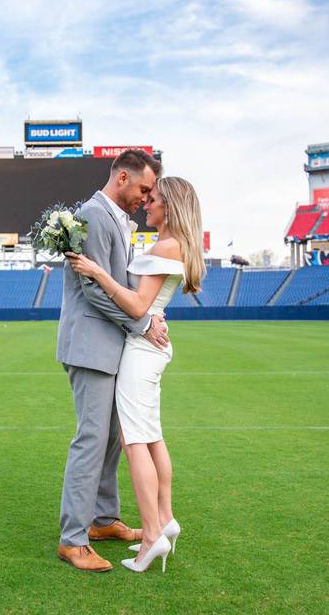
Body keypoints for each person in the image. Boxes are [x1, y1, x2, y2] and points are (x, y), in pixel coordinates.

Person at [67, 176, 204, 573]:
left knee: (134, 440)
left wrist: (98, 271)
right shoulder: (176, 245)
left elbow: (138, 303)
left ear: (171, 207)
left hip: (142, 352)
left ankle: (151, 536)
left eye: (156, 199)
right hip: (150, 349)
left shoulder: (166, 245)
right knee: (152, 435)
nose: (149, 203)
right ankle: (164, 519)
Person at [55, 149, 171, 573]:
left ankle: (103, 520)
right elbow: (94, 291)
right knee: (91, 439)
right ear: (122, 177)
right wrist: (142, 326)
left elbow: (118, 285)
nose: (146, 197)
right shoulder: (94, 215)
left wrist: (144, 317)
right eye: (143, 188)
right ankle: (73, 539)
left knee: (110, 438)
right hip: (90, 345)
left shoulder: (112, 218)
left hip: (107, 345)